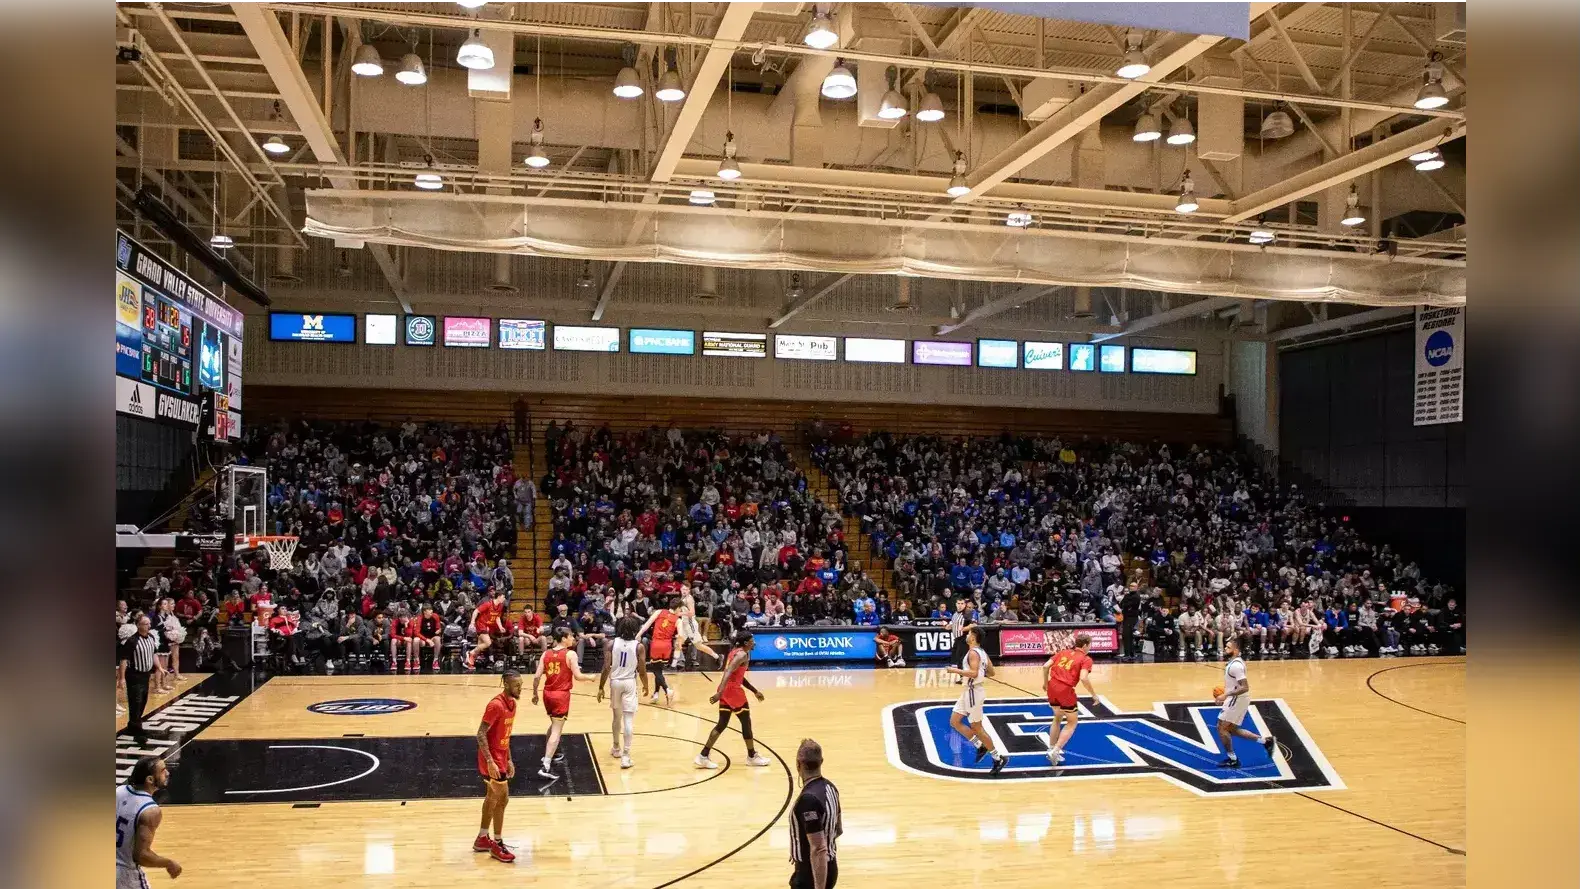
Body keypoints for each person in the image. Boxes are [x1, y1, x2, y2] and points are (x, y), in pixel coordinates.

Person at [696, 630, 770, 769]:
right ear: (746, 643)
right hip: (733, 692)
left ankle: (703, 756)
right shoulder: (742, 655)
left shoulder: (736, 652)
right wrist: (719, 692)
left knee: (721, 724)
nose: (754, 643)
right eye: (752, 641)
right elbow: (728, 671)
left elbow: (738, 677)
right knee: (746, 722)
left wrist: (754, 691)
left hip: (727, 691)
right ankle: (752, 756)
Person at [532, 627, 594, 778]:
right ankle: (546, 765)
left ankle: (550, 753)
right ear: (564, 638)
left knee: (554, 724)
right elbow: (578, 676)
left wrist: (534, 693)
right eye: (571, 636)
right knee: (557, 730)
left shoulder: (546, 653)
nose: (573, 638)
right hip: (561, 695)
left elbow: (537, 676)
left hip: (547, 694)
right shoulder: (570, 654)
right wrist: (590, 677)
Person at [474, 670, 522, 864]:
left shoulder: (513, 704)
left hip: (501, 757)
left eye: (521, 684)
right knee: (502, 798)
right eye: (517, 685)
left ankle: (482, 838)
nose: (520, 688)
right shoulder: (496, 705)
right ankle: (497, 843)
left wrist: (509, 759)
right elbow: (480, 734)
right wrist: (490, 761)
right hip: (491, 759)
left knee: (493, 797)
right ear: (506, 685)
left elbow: (505, 735)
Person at [946, 625, 1006, 774]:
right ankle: (980, 745)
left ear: (973, 637)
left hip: (973, 692)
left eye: (969, 633)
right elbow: (991, 672)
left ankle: (997, 757)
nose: (966, 635)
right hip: (969, 691)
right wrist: (981, 672)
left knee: (977, 728)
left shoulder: (973, 652)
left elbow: (973, 673)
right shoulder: (982, 652)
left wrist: (954, 670)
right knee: (954, 721)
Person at [117, 756, 181, 889]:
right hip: (125, 876)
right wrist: (168, 863)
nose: (167, 773)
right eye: (163, 770)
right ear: (150, 779)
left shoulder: (119, 791)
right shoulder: (151, 811)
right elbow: (141, 856)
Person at [1212, 639, 1276, 769]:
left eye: (1228, 647)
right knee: (1231, 729)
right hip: (1237, 699)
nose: (1225, 649)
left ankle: (1233, 760)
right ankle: (1266, 741)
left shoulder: (1236, 666)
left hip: (1237, 699)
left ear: (1235, 650)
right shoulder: (1234, 662)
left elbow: (1245, 687)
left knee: (1221, 728)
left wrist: (1225, 695)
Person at [789, 739, 842, 889]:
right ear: (821, 762)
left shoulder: (808, 801)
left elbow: (819, 849)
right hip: (830, 867)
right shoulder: (831, 788)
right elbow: (838, 829)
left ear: (798, 764)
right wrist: (799, 846)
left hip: (812, 874)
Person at [597, 617, 649, 769]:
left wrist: (601, 687)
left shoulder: (611, 644)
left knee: (616, 718)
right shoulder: (639, 646)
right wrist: (646, 685)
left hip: (615, 682)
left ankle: (616, 748)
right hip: (629, 683)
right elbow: (642, 670)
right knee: (628, 720)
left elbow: (606, 667)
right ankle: (626, 756)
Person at [1041, 633, 1097, 765]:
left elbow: (1045, 666)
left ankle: (1051, 748)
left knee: (1057, 718)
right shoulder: (1086, 659)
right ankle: (1055, 751)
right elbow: (1083, 678)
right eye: (1090, 645)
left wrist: (1045, 683)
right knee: (1072, 722)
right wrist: (1093, 695)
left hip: (1052, 686)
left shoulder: (1063, 652)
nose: (1090, 647)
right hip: (1065, 690)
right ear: (1085, 645)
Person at [118, 616, 162, 746]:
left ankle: (132, 726)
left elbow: (154, 653)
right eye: (145, 624)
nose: (149, 626)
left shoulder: (151, 638)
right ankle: (138, 732)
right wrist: (121, 678)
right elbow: (123, 660)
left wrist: (159, 667)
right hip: (134, 675)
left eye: (149, 623)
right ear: (138, 625)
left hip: (146, 675)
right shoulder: (132, 641)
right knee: (136, 702)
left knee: (143, 701)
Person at [637, 601, 680, 705]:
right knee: (659, 670)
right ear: (677, 608)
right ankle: (656, 694)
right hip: (667, 646)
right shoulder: (678, 620)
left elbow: (647, 625)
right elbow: (680, 636)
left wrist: (639, 634)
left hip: (657, 644)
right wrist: (677, 651)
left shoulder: (659, 612)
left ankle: (667, 689)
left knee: (656, 670)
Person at [465, 591, 507, 672]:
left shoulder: (500, 606)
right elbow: (476, 611)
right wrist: (472, 622)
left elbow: (497, 617)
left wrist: (500, 627)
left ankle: (469, 662)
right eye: (503, 597)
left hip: (488, 626)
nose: (504, 599)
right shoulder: (488, 604)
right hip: (481, 625)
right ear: (498, 597)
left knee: (480, 646)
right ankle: (470, 653)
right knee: (488, 643)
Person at [413, 603, 444, 672]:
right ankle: (416, 661)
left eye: (431, 609)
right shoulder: (419, 618)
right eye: (429, 610)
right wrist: (427, 640)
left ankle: (435, 660)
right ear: (424, 612)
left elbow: (438, 628)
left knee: (438, 639)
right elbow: (416, 633)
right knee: (415, 640)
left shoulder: (435, 616)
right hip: (422, 639)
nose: (431, 611)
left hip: (432, 637)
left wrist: (439, 630)